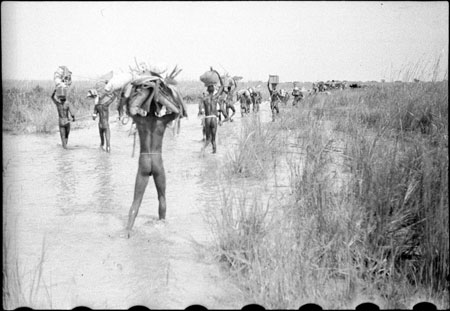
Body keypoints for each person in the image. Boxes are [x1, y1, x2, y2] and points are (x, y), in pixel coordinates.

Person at [123, 83, 184, 238]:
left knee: (136, 201)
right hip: (157, 160)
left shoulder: (139, 121)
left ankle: (128, 231)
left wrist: (137, 93)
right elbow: (177, 111)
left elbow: (127, 108)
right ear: (158, 107)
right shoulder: (162, 122)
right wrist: (161, 96)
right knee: (161, 196)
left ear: (144, 106)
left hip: (144, 160)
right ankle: (162, 228)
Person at [199, 69, 225, 154]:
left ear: (207, 90)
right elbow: (222, 86)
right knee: (213, 140)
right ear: (213, 90)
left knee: (208, 139)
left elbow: (200, 106)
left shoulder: (204, 98)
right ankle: (214, 154)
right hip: (214, 118)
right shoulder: (215, 97)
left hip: (207, 118)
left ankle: (202, 150)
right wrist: (217, 73)